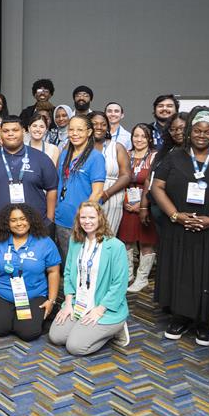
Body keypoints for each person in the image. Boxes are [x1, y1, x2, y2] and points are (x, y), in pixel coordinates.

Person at [149, 107, 209, 345]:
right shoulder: (173, 157)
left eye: (208, 131)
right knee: (179, 269)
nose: (201, 135)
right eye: (197, 130)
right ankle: (180, 317)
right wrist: (175, 215)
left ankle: (205, 321)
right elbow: (156, 187)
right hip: (177, 226)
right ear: (190, 131)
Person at [49, 201, 131, 354]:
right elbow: (67, 273)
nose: (87, 221)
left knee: (75, 347)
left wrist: (99, 310)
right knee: (56, 337)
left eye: (92, 217)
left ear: (101, 218)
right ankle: (83, 328)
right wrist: (68, 304)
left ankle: (116, 329)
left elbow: (119, 284)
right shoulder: (75, 242)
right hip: (78, 303)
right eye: (83, 217)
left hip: (103, 307)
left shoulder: (115, 246)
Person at [0, 204, 62, 342]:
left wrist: (52, 300)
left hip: (33, 294)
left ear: (30, 220)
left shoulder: (45, 242)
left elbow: (54, 271)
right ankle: (10, 316)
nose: (19, 223)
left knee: (28, 333)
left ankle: (22, 318)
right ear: (7, 223)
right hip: (2, 292)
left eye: (23, 219)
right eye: (13, 220)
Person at [0, 116, 58, 236]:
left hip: (36, 226)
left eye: (15, 130)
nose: (10, 134)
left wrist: (49, 219)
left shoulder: (41, 158)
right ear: (0, 133)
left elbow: (52, 188)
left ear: (23, 132)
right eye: (6, 131)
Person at [52, 115, 106, 258]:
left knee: (84, 263)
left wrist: (84, 218)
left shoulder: (96, 157)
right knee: (68, 265)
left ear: (89, 132)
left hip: (84, 222)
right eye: (71, 130)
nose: (74, 134)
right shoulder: (64, 155)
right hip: (62, 218)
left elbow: (98, 192)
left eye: (80, 130)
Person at [119, 123, 159, 293]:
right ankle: (128, 275)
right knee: (126, 241)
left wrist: (142, 205)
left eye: (143, 136)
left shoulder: (154, 157)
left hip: (145, 206)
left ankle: (142, 278)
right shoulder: (126, 155)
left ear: (149, 138)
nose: (139, 139)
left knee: (146, 242)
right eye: (136, 135)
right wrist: (123, 201)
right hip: (126, 205)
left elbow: (155, 183)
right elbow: (119, 179)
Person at [90, 111, 133, 235]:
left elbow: (126, 175)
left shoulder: (117, 147)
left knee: (107, 238)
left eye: (103, 124)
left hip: (111, 198)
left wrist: (106, 194)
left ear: (108, 128)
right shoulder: (80, 146)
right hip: (86, 196)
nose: (99, 127)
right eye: (95, 124)